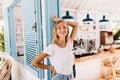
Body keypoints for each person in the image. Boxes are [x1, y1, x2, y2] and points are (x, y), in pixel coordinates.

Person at [31, 16, 78, 80]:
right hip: (59, 77)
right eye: (59, 28)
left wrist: (60, 20)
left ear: (67, 29)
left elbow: (76, 25)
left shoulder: (69, 43)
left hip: (70, 76)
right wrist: (51, 68)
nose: (62, 30)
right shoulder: (52, 47)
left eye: (64, 27)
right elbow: (34, 63)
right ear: (56, 31)